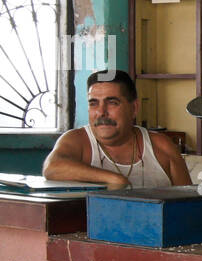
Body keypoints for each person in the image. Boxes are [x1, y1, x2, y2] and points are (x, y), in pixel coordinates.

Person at [43, 70, 191, 189]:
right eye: (93, 103)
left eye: (112, 103)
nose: (101, 112)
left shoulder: (160, 146)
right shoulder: (78, 140)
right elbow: (52, 167)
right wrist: (114, 179)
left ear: (134, 108)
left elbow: (190, 203)